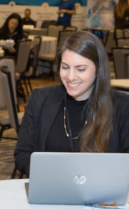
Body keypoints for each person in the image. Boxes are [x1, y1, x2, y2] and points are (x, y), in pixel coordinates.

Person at [14, 31, 129, 177]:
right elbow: (22, 154)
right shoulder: (40, 99)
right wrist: (54, 175)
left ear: (99, 69)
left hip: (101, 195)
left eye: (80, 69)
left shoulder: (123, 107)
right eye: (65, 67)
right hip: (51, 189)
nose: (71, 77)